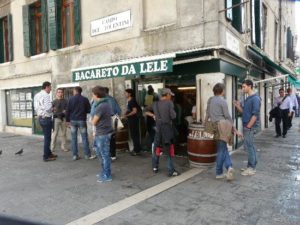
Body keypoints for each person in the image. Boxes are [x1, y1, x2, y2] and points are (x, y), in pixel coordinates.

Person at [205, 83, 242, 181]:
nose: (224, 92)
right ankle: (219, 172)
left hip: (214, 126)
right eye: (224, 90)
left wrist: (205, 125)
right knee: (221, 149)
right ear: (222, 91)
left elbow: (207, 114)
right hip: (223, 126)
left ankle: (229, 166)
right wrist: (234, 128)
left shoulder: (210, 100)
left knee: (222, 147)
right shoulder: (222, 101)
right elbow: (227, 116)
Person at [145, 88, 180, 177]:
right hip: (167, 130)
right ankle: (171, 171)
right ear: (167, 94)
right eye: (170, 95)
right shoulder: (169, 103)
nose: (170, 96)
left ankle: (155, 167)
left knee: (156, 148)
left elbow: (145, 110)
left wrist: (153, 115)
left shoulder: (155, 104)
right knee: (169, 150)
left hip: (158, 130)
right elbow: (173, 116)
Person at [233, 79, 261, 176]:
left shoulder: (255, 98)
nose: (242, 88)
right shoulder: (248, 98)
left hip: (250, 126)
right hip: (247, 125)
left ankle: (251, 168)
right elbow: (244, 112)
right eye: (242, 86)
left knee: (249, 146)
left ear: (250, 86)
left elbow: (255, 115)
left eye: (244, 86)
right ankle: (251, 165)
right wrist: (237, 106)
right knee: (250, 146)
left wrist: (248, 126)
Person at [66, 86, 95, 160]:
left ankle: (75, 155)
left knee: (73, 138)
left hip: (73, 120)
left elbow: (67, 111)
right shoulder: (85, 99)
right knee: (84, 138)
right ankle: (87, 155)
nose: (73, 92)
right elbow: (89, 110)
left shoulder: (70, 99)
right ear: (80, 91)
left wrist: (67, 120)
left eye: (73, 91)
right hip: (82, 120)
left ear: (75, 91)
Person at [91, 86, 113, 183]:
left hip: (102, 133)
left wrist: (91, 120)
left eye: (93, 94)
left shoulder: (101, 106)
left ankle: (107, 175)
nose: (92, 96)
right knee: (101, 154)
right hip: (102, 132)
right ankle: (104, 171)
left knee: (104, 155)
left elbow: (94, 122)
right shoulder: (106, 103)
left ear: (96, 95)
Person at [34, 81, 57, 162]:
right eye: (50, 87)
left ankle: (49, 153)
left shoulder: (37, 95)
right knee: (47, 138)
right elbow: (48, 108)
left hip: (40, 118)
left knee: (47, 137)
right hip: (46, 118)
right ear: (46, 87)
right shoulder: (46, 95)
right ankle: (46, 156)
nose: (51, 89)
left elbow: (36, 107)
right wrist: (53, 109)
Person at [104, 87, 121, 161]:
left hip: (105, 120)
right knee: (112, 138)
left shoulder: (101, 100)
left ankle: (106, 156)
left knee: (105, 138)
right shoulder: (112, 99)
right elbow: (119, 111)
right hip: (113, 118)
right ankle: (113, 155)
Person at [124, 89, 142, 156]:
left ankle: (137, 150)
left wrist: (127, 115)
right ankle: (137, 149)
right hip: (131, 119)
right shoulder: (129, 101)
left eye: (126, 93)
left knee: (134, 135)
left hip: (134, 120)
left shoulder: (132, 101)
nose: (125, 94)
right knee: (134, 135)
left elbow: (135, 111)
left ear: (130, 94)